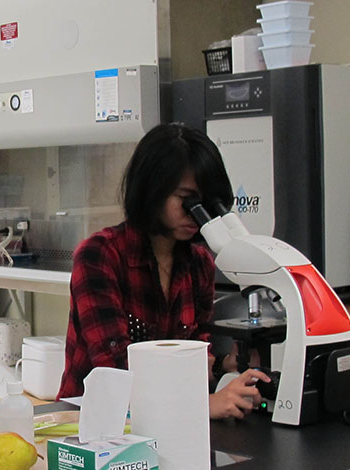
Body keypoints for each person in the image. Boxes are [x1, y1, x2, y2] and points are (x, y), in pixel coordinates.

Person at [57, 122, 270, 420]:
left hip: (166, 425)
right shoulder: (99, 256)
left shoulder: (199, 264)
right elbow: (115, 370)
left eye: (205, 204)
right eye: (187, 200)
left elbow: (193, 357)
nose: (196, 214)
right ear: (152, 191)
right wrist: (202, 406)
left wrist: (225, 364)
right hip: (93, 425)